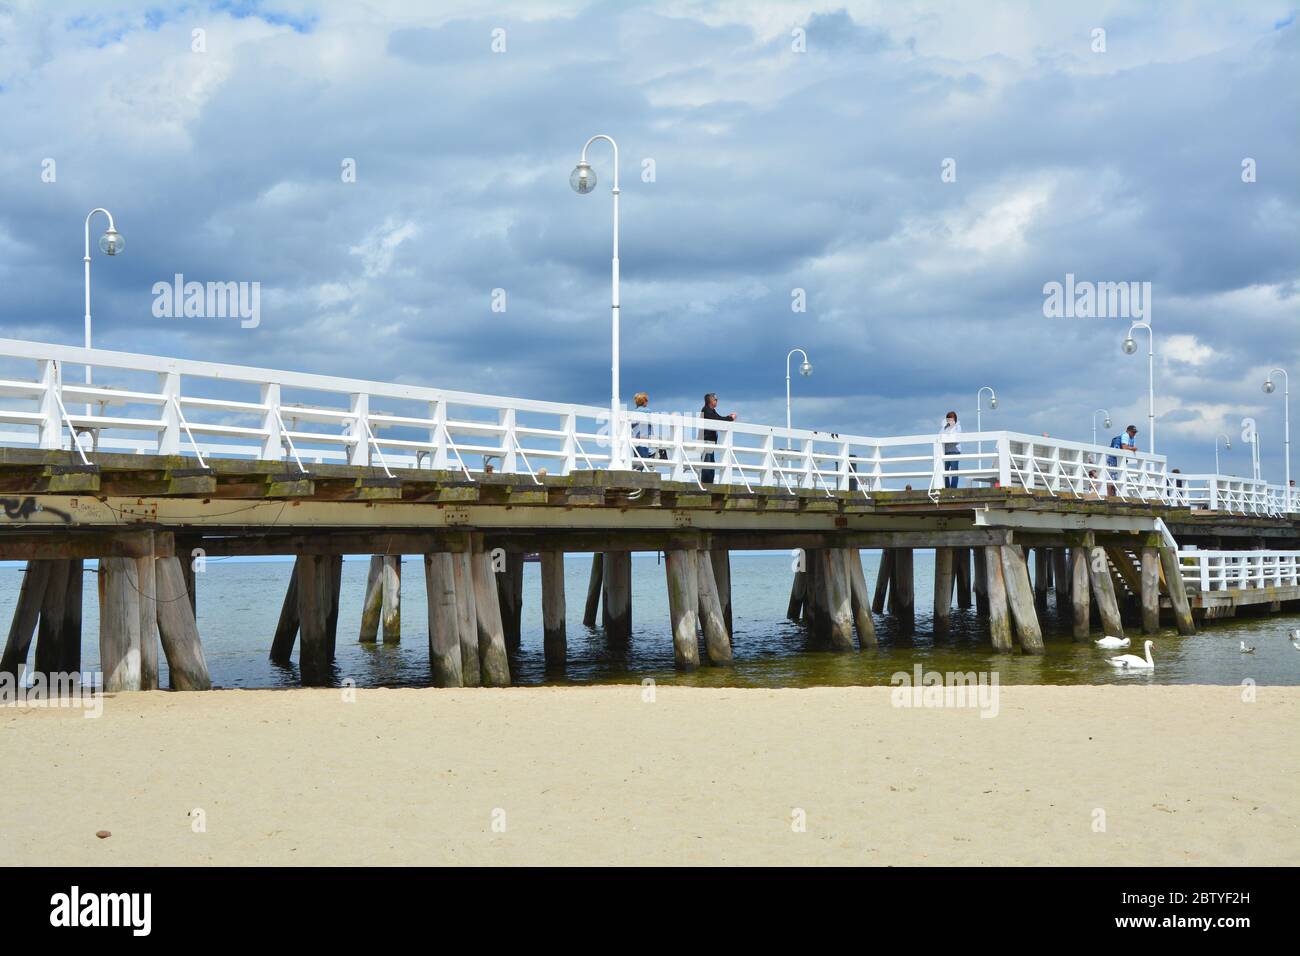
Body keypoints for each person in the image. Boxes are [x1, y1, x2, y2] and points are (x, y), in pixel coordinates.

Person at [699, 392, 737, 484]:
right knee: (707, 465)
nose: (717, 401)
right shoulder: (706, 410)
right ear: (710, 401)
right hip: (706, 442)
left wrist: (728, 417)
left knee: (711, 465)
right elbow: (718, 420)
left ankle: (709, 484)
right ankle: (706, 484)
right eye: (715, 399)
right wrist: (730, 418)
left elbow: (719, 418)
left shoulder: (711, 411)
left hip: (710, 442)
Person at [1107, 425, 1138, 495]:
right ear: (1128, 431)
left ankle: (1113, 495)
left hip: (1119, 459)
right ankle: (1110, 496)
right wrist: (1132, 449)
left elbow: (1129, 447)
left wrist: (1131, 448)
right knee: (1112, 478)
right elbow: (1124, 447)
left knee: (1116, 478)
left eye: (1135, 432)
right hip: (1114, 459)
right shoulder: (1125, 435)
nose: (1134, 434)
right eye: (1133, 432)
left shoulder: (1131, 438)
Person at [630, 392, 653, 470]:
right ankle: (640, 470)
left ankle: (636, 469)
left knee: (637, 455)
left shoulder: (634, 412)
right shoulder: (648, 411)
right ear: (645, 402)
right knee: (643, 456)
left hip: (635, 437)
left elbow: (632, 424)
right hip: (645, 437)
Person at [940, 410, 961, 488]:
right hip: (946, 451)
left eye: (951, 419)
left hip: (955, 451)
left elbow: (956, 437)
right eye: (948, 419)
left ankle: (953, 488)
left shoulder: (957, 427)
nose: (950, 421)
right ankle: (947, 487)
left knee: (954, 470)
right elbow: (940, 435)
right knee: (945, 470)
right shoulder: (945, 427)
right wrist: (945, 428)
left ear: (955, 419)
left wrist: (949, 434)